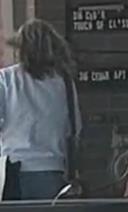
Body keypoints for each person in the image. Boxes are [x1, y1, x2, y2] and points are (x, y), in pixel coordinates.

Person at [0, 19, 82, 200]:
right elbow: (74, 129)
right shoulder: (65, 82)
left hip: (14, 171)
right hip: (53, 172)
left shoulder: (6, 79)